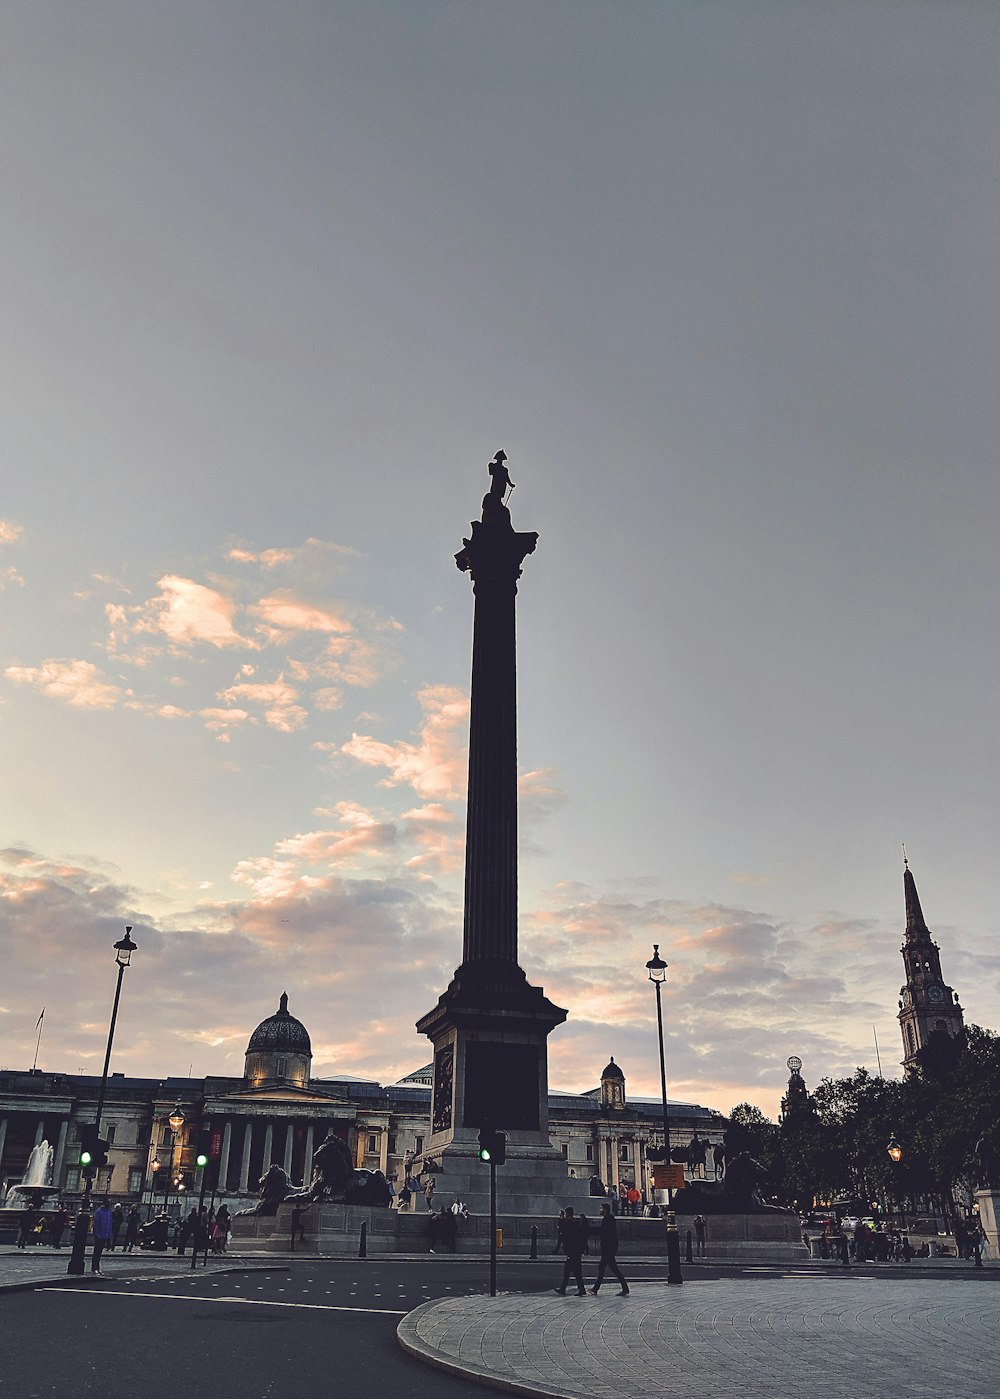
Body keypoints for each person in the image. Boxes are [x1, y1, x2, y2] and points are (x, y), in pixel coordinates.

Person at [591, 1202, 629, 1295]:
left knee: (609, 1268)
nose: (600, 1210)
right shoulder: (608, 1219)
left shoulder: (608, 1219)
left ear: (605, 1210)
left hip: (608, 1248)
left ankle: (625, 1288)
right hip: (609, 1248)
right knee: (606, 1268)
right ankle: (595, 1289)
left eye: (601, 1209)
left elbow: (606, 1234)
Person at [554, 1206, 588, 1296]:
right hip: (575, 1250)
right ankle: (563, 1288)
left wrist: (561, 1219)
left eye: (565, 1213)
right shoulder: (575, 1222)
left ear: (567, 1214)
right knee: (569, 1271)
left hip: (572, 1251)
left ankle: (581, 1290)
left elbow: (562, 1230)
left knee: (576, 1272)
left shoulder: (568, 1223)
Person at [92, 1198, 114, 1274]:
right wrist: (97, 1234)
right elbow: (96, 1224)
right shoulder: (99, 1212)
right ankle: (95, 1267)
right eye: (109, 1203)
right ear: (105, 1203)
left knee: (99, 1252)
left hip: (105, 1234)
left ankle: (97, 1267)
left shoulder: (109, 1212)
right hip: (99, 1235)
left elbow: (110, 1224)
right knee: (96, 1252)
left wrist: (109, 1234)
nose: (110, 1204)